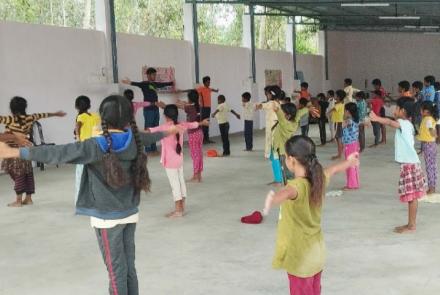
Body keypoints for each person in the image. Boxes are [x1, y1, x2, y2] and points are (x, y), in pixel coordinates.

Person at [0, 95, 180, 294]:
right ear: (128, 118)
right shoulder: (135, 140)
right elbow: (152, 136)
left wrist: (16, 153)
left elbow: (59, 153)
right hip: (130, 213)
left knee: (116, 271)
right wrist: (169, 130)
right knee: (128, 267)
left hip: (107, 219)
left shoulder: (95, 146)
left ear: (102, 117)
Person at [262, 135, 359, 295]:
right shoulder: (318, 177)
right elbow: (333, 170)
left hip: (300, 257)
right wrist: (349, 162)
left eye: (286, 156)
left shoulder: (296, 185)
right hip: (316, 254)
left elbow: (287, 193)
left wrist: (273, 199)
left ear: (291, 160)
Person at [370, 97, 426, 233]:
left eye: (396, 108)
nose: (394, 110)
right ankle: (410, 224)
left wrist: (377, 118)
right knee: (412, 196)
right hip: (411, 164)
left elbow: (390, 122)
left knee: (411, 196)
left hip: (410, 166)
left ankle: (411, 225)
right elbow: (391, 120)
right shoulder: (408, 124)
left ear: (403, 111)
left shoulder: (403, 123)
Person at [0, 96, 66, 207]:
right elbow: (43, 115)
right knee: (27, 174)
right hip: (26, 150)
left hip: (14, 152)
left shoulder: (10, 119)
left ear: (12, 109)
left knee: (18, 175)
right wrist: (55, 114)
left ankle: (18, 200)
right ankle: (29, 198)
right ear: (25, 107)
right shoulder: (30, 118)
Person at [149, 104, 209, 217]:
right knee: (180, 182)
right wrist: (202, 123)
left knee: (175, 185)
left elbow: (149, 131)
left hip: (170, 162)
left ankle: (178, 211)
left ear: (165, 116)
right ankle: (182, 208)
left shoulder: (163, 127)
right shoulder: (181, 125)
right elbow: (193, 124)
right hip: (179, 159)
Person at [121, 67, 174, 153]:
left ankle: (154, 148)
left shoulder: (155, 84)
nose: (154, 76)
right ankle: (148, 149)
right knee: (149, 129)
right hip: (148, 110)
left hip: (156, 109)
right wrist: (129, 82)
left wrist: (171, 83)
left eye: (155, 75)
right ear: (148, 75)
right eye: (153, 75)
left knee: (155, 129)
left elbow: (162, 84)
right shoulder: (144, 84)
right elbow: (135, 83)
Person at [74, 95, 101, 204]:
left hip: (84, 147)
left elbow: (77, 127)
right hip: (95, 145)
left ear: (76, 106)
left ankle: (79, 200)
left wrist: (77, 138)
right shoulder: (95, 116)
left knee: (80, 173)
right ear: (89, 105)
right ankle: (96, 197)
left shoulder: (80, 117)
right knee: (95, 172)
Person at [174, 90, 205, 183]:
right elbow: (186, 104)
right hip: (200, 132)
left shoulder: (189, 108)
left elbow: (180, 106)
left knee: (195, 154)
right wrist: (182, 102)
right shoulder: (198, 106)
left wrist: (177, 101)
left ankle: (196, 175)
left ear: (190, 99)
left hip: (193, 134)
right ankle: (199, 174)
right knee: (199, 154)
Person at [271, 102, 298, 184]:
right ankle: (290, 185)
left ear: (288, 116)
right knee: (286, 170)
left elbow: (279, 115)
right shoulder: (287, 123)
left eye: (283, 113)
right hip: (283, 149)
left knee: (287, 171)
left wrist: (277, 109)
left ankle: (291, 187)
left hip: (284, 152)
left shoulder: (284, 123)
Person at [417, 101, 437, 194]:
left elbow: (432, 131)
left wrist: (435, 136)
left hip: (429, 145)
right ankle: (432, 186)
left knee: (429, 167)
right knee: (432, 166)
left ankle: (431, 187)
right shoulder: (427, 118)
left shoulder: (428, 119)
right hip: (430, 145)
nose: (420, 111)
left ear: (427, 111)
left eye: (421, 109)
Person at [257, 86, 280, 159]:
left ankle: (269, 154)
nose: (267, 95)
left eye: (267, 94)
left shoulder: (271, 103)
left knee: (269, 139)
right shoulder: (278, 102)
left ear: (272, 94)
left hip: (271, 125)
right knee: (274, 139)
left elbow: (261, 106)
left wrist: (258, 105)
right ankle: (275, 154)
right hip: (276, 124)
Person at [342, 102, 360, 190]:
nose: (343, 112)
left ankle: (351, 185)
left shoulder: (348, 121)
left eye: (344, 110)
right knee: (354, 164)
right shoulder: (355, 120)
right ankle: (355, 183)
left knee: (349, 165)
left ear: (348, 111)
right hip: (355, 144)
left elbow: (342, 125)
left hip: (350, 145)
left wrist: (344, 118)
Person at [197, 76, 219, 144]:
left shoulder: (209, 89)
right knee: (203, 123)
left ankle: (207, 139)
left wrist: (216, 90)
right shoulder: (201, 88)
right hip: (203, 108)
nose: (209, 83)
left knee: (207, 123)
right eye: (207, 82)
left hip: (208, 108)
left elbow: (212, 90)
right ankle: (202, 139)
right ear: (204, 82)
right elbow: (192, 91)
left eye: (209, 82)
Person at [330, 90, 345, 160]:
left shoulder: (339, 105)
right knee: (338, 138)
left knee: (338, 138)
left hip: (340, 123)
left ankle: (339, 154)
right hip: (339, 122)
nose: (334, 97)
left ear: (339, 97)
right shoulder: (340, 103)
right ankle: (340, 153)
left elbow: (334, 109)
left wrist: (328, 112)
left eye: (336, 95)